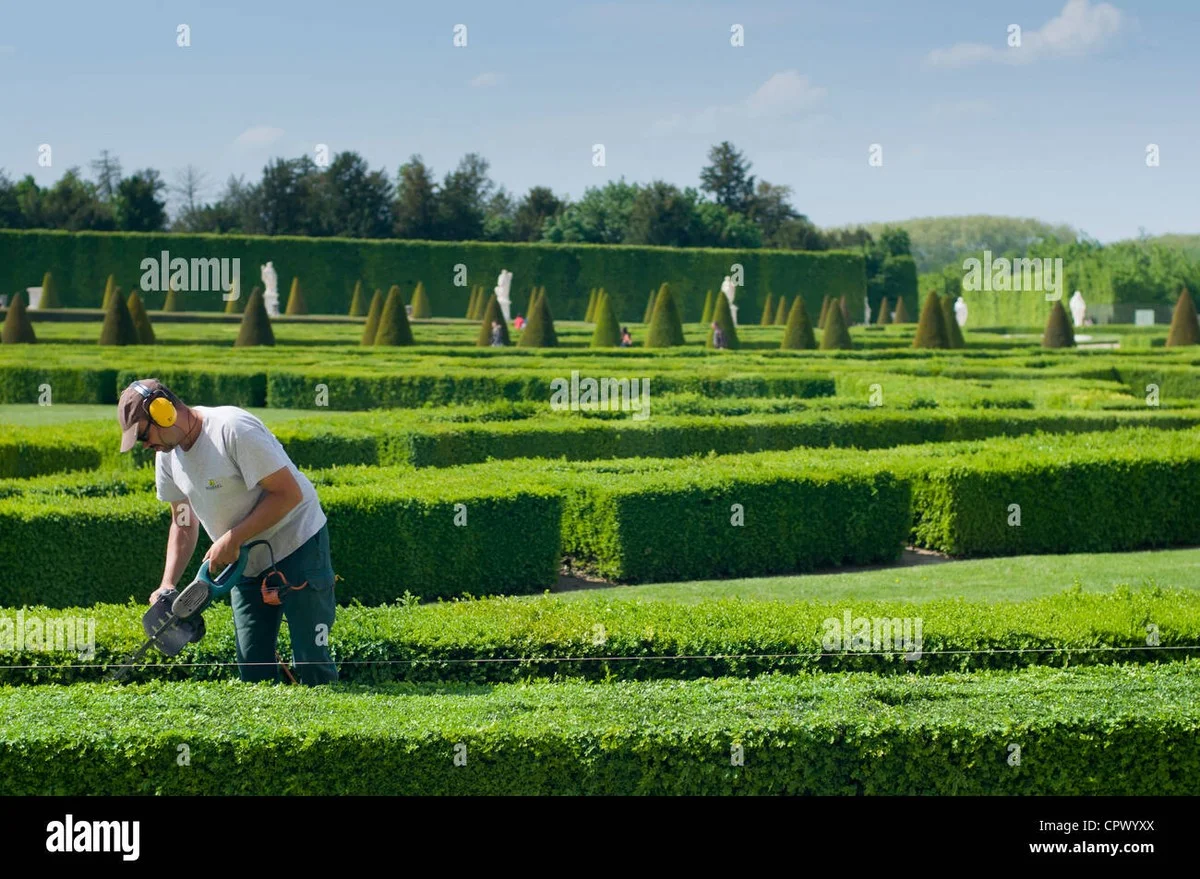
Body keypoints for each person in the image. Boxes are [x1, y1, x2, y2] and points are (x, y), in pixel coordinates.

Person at [117, 379, 337, 686]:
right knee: (253, 665)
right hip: (243, 561)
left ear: (164, 412)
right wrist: (167, 584)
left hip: (297, 542)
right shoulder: (166, 457)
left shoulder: (232, 429)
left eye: (144, 435)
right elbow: (183, 522)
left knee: (311, 658)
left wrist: (233, 538)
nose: (145, 446)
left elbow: (288, 494)